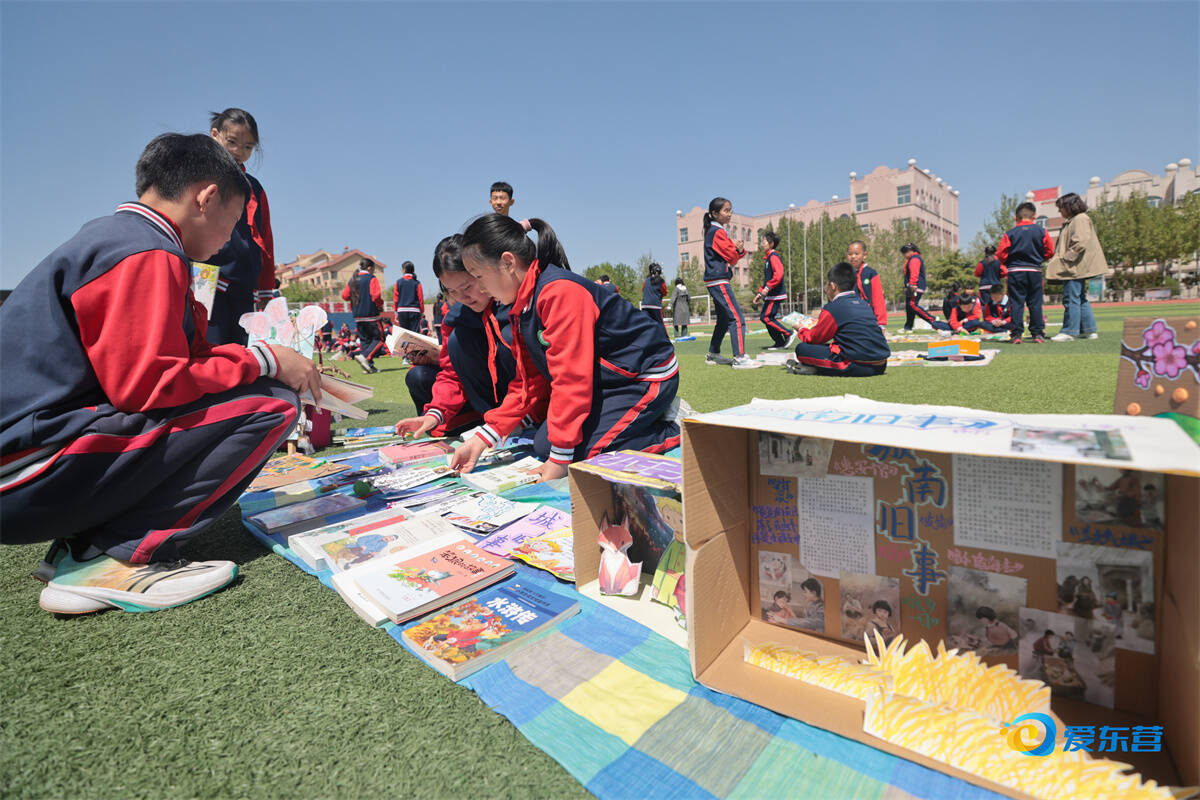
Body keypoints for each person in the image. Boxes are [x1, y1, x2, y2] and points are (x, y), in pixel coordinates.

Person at [0, 133, 320, 615]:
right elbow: (147, 385)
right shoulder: (147, 250)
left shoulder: (118, 236)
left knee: (253, 387)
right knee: (272, 403)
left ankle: (83, 546)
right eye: (234, 221)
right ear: (207, 197)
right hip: (26, 471)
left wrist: (261, 358)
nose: (230, 239)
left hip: (28, 462)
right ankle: (114, 558)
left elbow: (174, 363)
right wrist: (266, 360)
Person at [449, 215, 681, 482]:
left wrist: (560, 462)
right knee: (545, 446)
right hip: (604, 381)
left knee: (579, 455)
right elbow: (529, 381)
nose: (480, 288)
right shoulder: (522, 304)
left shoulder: (559, 293)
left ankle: (670, 429)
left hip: (644, 377)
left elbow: (571, 379)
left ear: (508, 262)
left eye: (479, 276)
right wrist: (483, 438)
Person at [395, 234, 527, 440]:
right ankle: (484, 419)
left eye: (467, 287)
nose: (463, 298)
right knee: (422, 371)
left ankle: (520, 420)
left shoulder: (515, 304)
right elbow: (452, 373)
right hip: (489, 402)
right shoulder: (456, 318)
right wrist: (433, 414)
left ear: (482, 272)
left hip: (528, 399)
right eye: (452, 291)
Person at [205, 108, 275, 346]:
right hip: (206, 281)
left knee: (243, 350)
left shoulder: (254, 187)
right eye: (232, 142)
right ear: (215, 135)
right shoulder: (196, 178)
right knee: (209, 348)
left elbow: (265, 238)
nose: (238, 152)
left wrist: (266, 288)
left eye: (248, 147)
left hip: (244, 286)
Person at [784, 262, 891, 377]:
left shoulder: (833, 307)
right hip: (881, 364)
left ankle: (815, 368)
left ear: (833, 286)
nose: (826, 289)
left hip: (857, 365)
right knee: (831, 346)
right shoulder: (863, 304)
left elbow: (813, 339)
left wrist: (801, 329)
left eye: (827, 285)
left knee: (802, 349)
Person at [702, 197, 759, 369]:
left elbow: (731, 257)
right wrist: (739, 250)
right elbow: (732, 257)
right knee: (736, 317)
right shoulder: (717, 232)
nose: (729, 214)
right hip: (718, 280)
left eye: (730, 210)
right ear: (714, 214)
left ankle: (713, 354)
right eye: (726, 210)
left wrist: (737, 251)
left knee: (724, 319)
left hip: (714, 280)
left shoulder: (714, 231)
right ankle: (740, 357)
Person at [1047, 192, 1105, 341]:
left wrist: (1066, 259)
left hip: (1074, 267)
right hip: (1077, 265)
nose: (1059, 211)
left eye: (1061, 208)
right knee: (1080, 297)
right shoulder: (1077, 219)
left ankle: (1069, 331)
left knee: (1071, 298)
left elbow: (1080, 241)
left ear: (1069, 206)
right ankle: (1088, 330)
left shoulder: (1079, 219)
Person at [997, 201, 1055, 344]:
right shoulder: (1042, 231)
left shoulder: (1010, 233)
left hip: (1015, 271)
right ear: (1034, 216)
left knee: (1016, 304)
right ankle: (1038, 334)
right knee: (1035, 303)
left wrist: (1009, 262)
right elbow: (1050, 251)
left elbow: (1001, 254)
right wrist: (1039, 259)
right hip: (1034, 270)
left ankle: (1017, 335)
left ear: (1015, 217)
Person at [341, 258, 384, 373]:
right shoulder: (371, 278)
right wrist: (380, 304)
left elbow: (345, 296)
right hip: (371, 314)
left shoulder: (353, 280)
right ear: (369, 268)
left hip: (358, 315)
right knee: (379, 339)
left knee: (365, 341)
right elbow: (376, 296)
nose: (374, 271)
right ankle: (365, 357)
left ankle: (368, 366)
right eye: (374, 269)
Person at [753, 232, 790, 348]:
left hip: (775, 294)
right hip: (771, 294)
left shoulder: (773, 256)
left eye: (764, 241)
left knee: (766, 317)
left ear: (771, 243)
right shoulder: (769, 258)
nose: (762, 244)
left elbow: (779, 274)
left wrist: (768, 287)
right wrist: (760, 293)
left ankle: (788, 333)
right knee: (766, 317)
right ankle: (779, 342)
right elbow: (768, 279)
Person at [846, 240, 887, 329]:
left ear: (865, 255)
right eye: (850, 254)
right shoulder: (844, 274)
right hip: (849, 317)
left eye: (857, 254)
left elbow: (878, 298)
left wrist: (881, 323)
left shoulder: (871, 273)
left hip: (867, 317)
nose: (853, 256)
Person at [901, 243, 938, 331]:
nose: (904, 255)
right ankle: (908, 327)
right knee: (909, 307)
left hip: (915, 286)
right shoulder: (912, 259)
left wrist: (913, 284)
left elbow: (914, 272)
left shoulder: (915, 258)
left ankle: (933, 320)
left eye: (905, 252)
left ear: (910, 251)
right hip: (911, 286)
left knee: (912, 305)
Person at [393, 260, 425, 333]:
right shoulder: (417, 283)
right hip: (414, 311)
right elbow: (421, 299)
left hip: (402, 311)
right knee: (414, 334)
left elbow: (395, 299)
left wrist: (396, 311)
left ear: (404, 270)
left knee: (405, 334)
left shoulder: (398, 282)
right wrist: (422, 311)